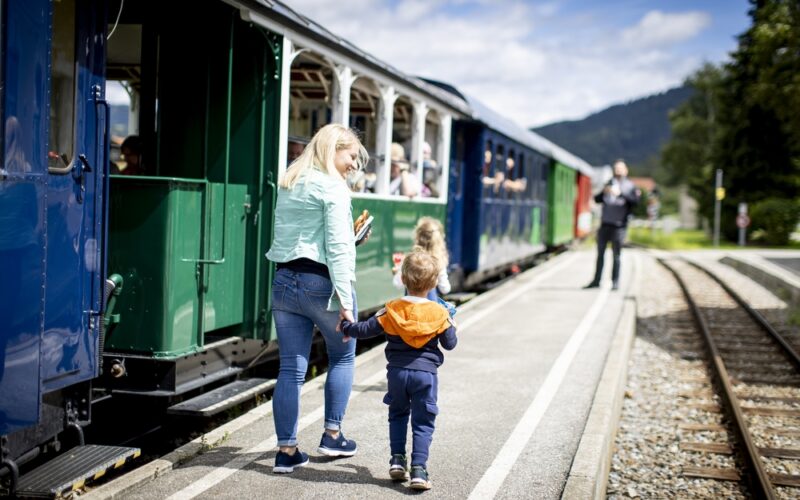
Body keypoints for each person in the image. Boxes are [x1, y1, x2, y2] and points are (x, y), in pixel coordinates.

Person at [266, 123, 369, 473]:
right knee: (342, 356)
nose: (354, 164)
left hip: (284, 280)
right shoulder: (333, 188)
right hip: (322, 284)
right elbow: (338, 250)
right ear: (333, 148)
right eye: (351, 155)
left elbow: (302, 236)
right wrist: (345, 302)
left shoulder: (291, 181)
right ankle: (332, 435)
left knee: (290, 370)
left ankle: (286, 450)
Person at [339, 249, 458, 491]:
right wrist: (451, 322)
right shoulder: (439, 312)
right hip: (426, 375)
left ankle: (397, 460)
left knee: (398, 415)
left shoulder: (391, 309)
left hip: (397, 374)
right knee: (423, 422)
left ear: (403, 280)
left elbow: (365, 330)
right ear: (434, 282)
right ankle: (419, 470)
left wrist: (345, 326)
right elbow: (450, 344)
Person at [584, 160, 641, 291]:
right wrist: (604, 191)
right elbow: (597, 199)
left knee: (616, 256)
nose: (617, 171)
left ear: (626, 171)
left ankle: (615, 282)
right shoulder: (609, 183)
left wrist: (620, 194)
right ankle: (596, 280)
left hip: (619, 225)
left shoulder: (630, 186)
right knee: (600, 254)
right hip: (605, 224)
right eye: (616, 169)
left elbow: (635, 202)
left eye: (620, 169)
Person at [392, 217, 451, 300]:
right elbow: (445, 289)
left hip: (410, 308)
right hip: (430, 308)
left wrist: (397, 273)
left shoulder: (409, 261)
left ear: (417, 237)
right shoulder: (439, 262)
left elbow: (397, 284)